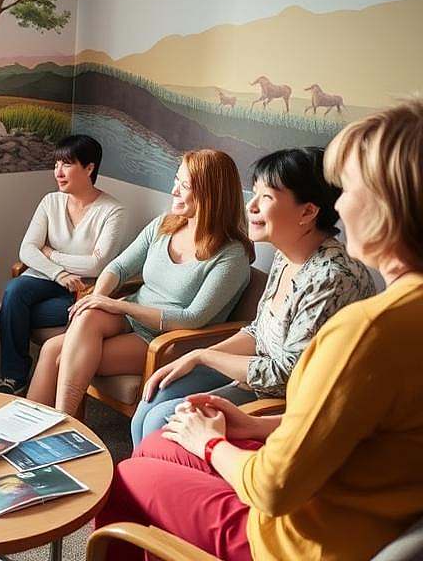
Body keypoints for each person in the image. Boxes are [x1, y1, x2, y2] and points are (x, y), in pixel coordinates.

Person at [97, 100, 423, 560]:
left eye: (349, 188)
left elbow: (273, 487)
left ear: (390, 206)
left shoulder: (364, 327)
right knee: (155, 443)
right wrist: (249, 421)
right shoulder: (384, 308)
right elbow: (354, 427)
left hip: (298, 537)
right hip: (332, 487)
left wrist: (209, 443)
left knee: (127, 476)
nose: (341, 204)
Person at [131, 147, 375, 445]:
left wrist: (204, 355)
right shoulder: (287, 256)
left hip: (287, 401)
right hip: (256, 373)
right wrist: (195, 360)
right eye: (254, 193)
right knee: (153, 398)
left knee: (161, 419)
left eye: (267, 197)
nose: (251, 206)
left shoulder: (332, 278)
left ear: (308, 212)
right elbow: (259, 331)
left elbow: (285, 375)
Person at [27, 149, 254, 416]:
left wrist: (119, 307)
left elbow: (192, 318)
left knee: (58, 352)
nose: (174, 191)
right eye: (175, 181)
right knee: (83, 320)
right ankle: (34, 427)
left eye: (184, 185)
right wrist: (97, 298)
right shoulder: (164, 225)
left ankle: (61, 426)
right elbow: (119, 267)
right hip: (133, 316)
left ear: (211, 193)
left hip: (169, 340)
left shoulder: (232, 255)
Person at [0, 134, 126, 395]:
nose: (58, 172)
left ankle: (19, 373)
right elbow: (27, 249)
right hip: (45, 278)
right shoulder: (50, 201)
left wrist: (52, 254)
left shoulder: (113, 211)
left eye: (66, 164)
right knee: (14, 292)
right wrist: (58, 273)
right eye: (56, 165)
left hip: (83, 290)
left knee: (13, 311)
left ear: (89, 168)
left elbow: (97, 264)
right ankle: (14, 376)